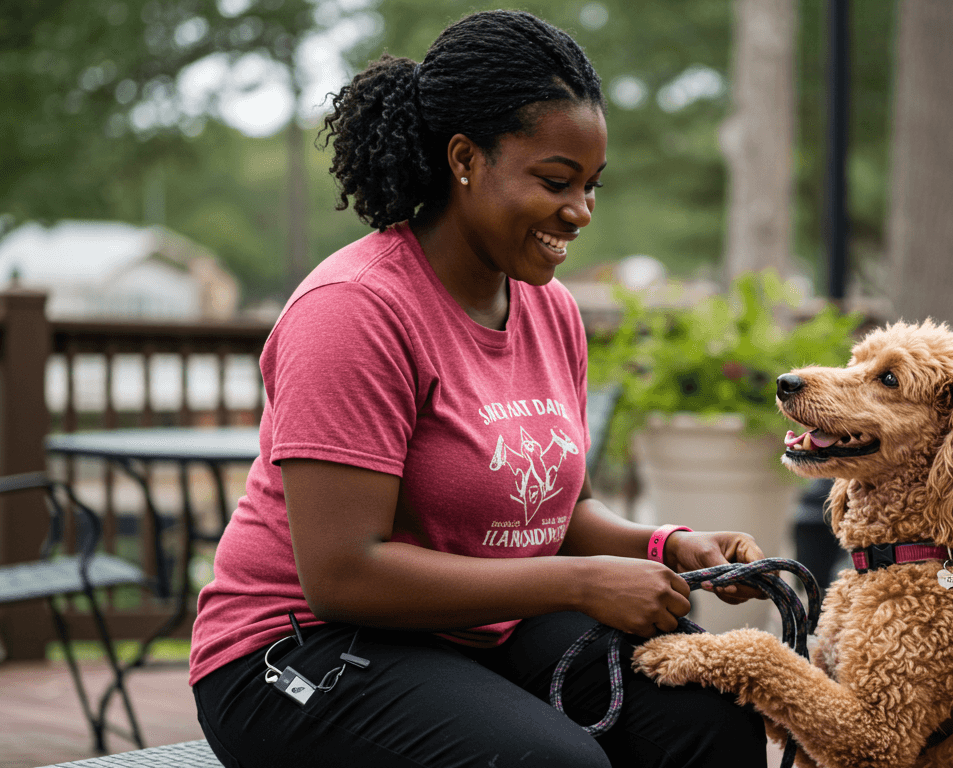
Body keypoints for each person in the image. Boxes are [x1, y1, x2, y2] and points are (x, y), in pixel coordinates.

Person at [189, 11, 769, 768]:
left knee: (710, 703)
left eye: (591, 186)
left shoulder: (550, 309)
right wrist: (581, 583)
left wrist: (667, 546)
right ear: (465, 158)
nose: (580, 212)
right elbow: (341, 575)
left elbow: (564, 514)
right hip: (297, 654)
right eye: (556, 182)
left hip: (477, 631)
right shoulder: (354, 311)